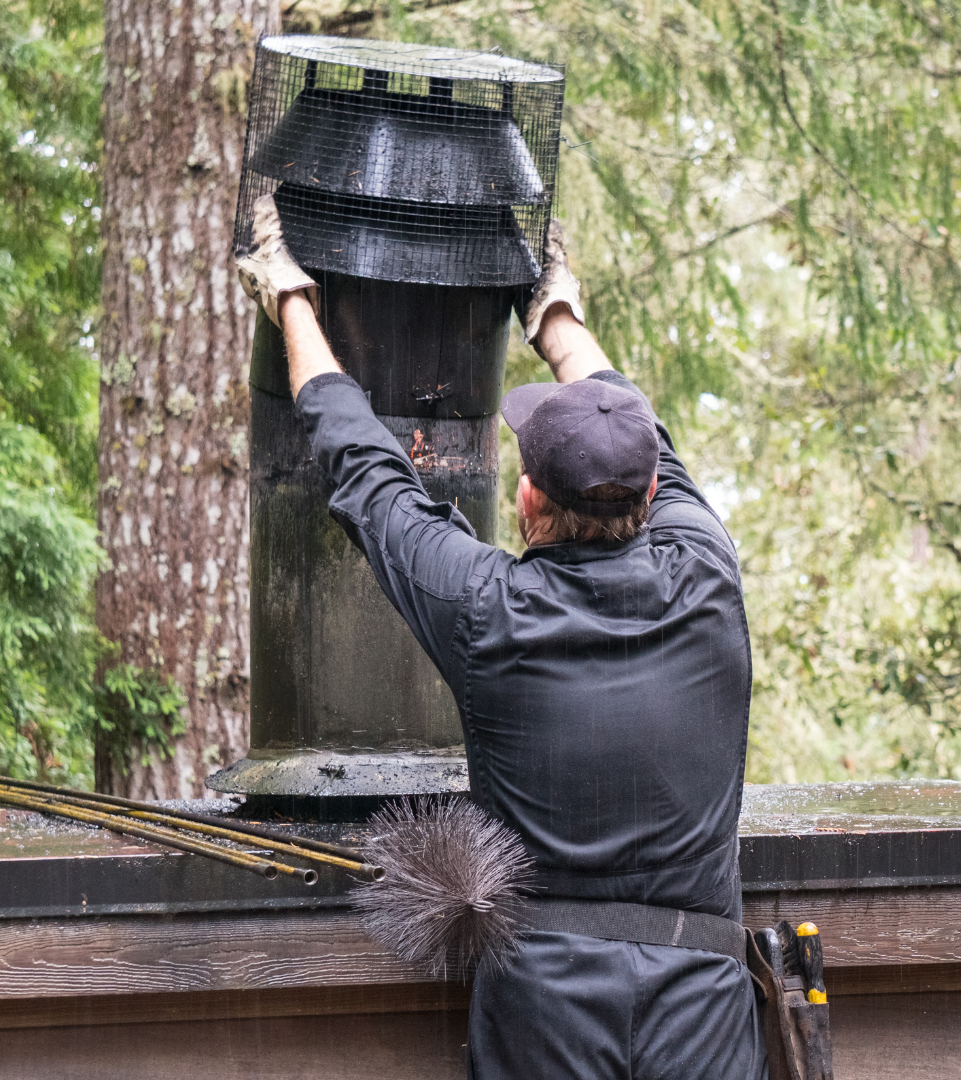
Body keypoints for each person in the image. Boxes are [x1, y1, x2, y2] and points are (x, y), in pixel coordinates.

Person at [237, 194, 763, 1080]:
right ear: (647, 497)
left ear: (528, 502)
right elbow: (643, 432)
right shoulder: (708, 574)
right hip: (704, 1006)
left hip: (546, 1008)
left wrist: (291, 299)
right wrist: (555, 314)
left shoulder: (489, 607)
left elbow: (369, 473)